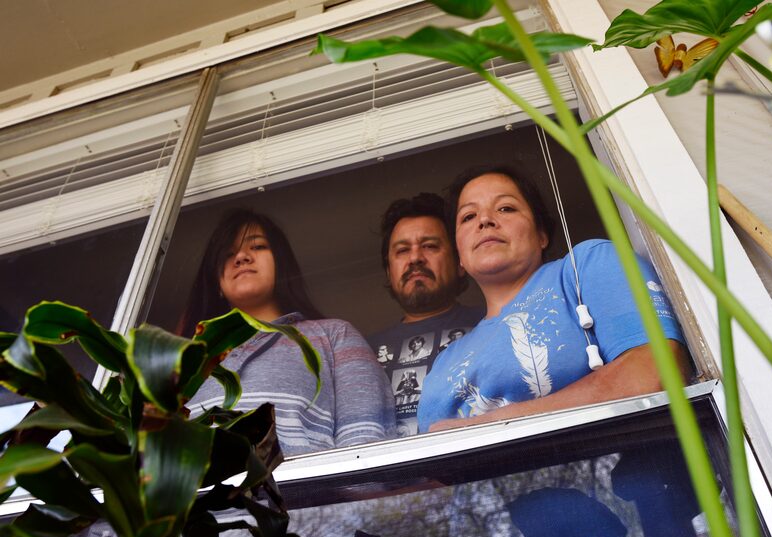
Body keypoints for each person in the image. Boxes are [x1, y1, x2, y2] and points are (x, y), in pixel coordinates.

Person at [418, 166, 692, 433]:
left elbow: (654, 373)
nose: (485, 220)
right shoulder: (444, 364)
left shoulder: (585, 265)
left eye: (506, 208)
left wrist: (484, 428)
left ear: (542, 235)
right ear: (460, 258)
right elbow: (429, 472)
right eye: (468, 216)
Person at [181, 209, 395, 456]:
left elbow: (364, 450)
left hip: (295, 494)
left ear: (281, 264)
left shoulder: (334, 336)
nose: (241, 257)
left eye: (257, 246)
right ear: (216, 283)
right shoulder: (184, 363)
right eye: (227, 254)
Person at [368, 193, 483, 437]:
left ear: (459, 262)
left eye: (430, 246)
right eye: (402, 250)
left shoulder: (490, 323)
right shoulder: (363, 352)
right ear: (389, 272)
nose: (415, 258)